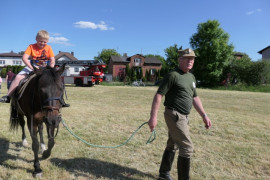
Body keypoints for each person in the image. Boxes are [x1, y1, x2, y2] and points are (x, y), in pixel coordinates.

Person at [148, 48, 212, 180]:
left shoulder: (191, 77)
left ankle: (164, 174)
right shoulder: (173, 75)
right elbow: (159, 95)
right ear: (180, 59)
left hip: (184, 116)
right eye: (187, 58)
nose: (190, 61)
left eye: (192, 59)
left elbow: (195, 98)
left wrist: (204, 116)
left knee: (173, 144)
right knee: (187, 148)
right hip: (174, 115)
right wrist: (153, 118)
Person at [0, 30, 70, 107]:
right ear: (36, 39)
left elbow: (52, 59)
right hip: (33, 66)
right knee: (18, 77)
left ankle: (61, 100)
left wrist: (51, 67)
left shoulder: (49, 48)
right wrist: (32, 68)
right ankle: (8, 96)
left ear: (47, 41)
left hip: (45, 68)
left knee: (57, 79)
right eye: (41, 41)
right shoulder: (31, 47)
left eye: (45, 42)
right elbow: (24, 58)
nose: (43, 43)